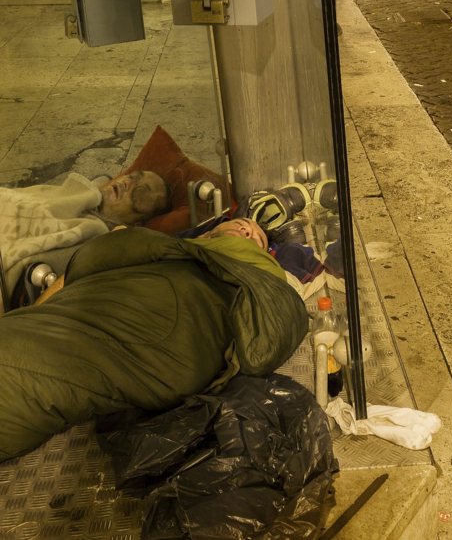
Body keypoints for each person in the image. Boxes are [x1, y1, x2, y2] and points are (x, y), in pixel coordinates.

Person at [0, 220, 308, 461]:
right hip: (169, 350)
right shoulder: (172, 249)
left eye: (257, 237)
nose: (248, 230)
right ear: (207, 233)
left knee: (31, 363)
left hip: (169, 316)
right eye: (242, 223)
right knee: (48, 364)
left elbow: (104, 250)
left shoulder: (255, 269)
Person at [0, 168, 170, 307]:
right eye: (132, 176)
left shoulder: (95, 239)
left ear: (138, 224)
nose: (128, 183)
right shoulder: (71, 195)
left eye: (140, 194)